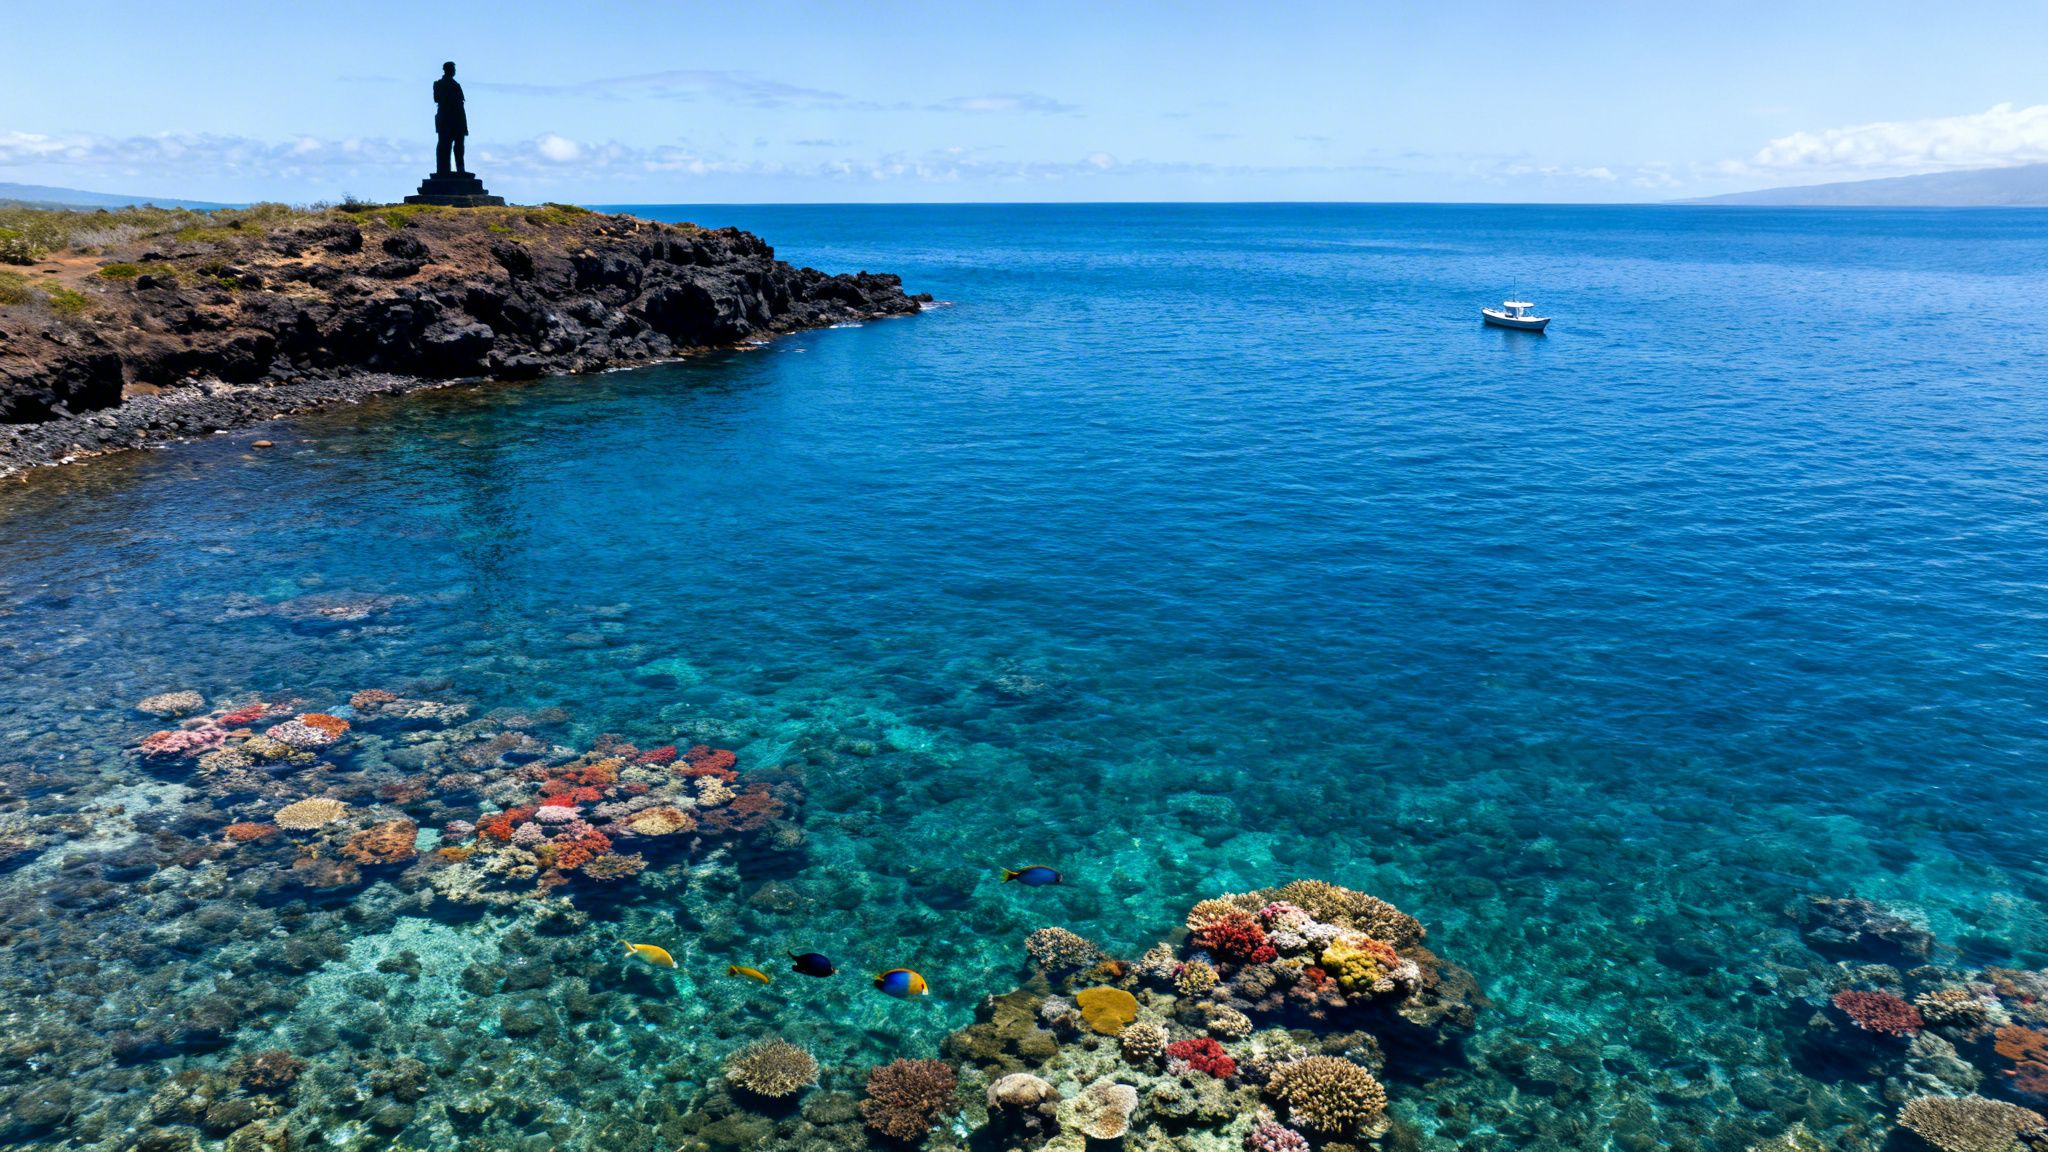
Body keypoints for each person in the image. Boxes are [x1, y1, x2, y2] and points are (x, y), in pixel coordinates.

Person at [434, 62, 468, 175]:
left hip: (458, 119)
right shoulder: (439, 84)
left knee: (459, 146)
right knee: (444, 145)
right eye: (452, 69)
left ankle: (460, 168)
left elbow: (460, 104)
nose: (454, 71)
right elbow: (438, 99)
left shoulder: (456, 85)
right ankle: (443, 170)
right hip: (446, 120)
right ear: (446, 70)